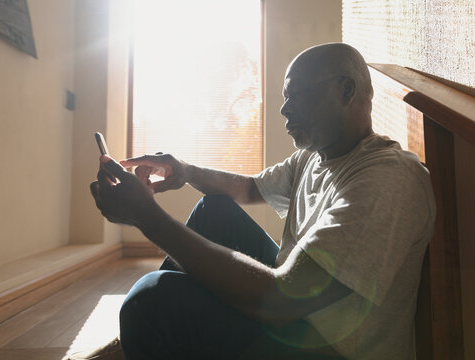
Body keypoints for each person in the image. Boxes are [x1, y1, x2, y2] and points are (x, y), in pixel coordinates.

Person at [85, 43, 436, 360]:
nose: (284, 109)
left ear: (345, 90)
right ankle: (144, 341)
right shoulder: (314, 157)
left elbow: (282, 300)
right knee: (214, 210)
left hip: (333, 348)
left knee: (149, 300)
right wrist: (185, 171)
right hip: (302, 321)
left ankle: (149, 329)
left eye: (296, 94)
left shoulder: (386, 180)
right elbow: (250, 188)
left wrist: (146, 216)